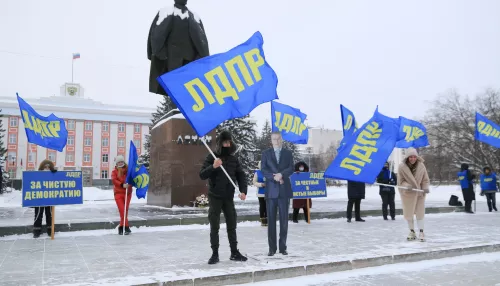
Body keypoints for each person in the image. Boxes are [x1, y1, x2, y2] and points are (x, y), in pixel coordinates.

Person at [200, 130, 248, 265]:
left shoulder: (234, 159)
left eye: (229, 142)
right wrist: (213, 166)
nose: (227, 145)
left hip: (228, 197)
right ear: (220, 143)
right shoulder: (212, 157)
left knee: (232, 224)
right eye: (224, 142)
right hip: (215, 196)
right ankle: (215, 254)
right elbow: (202, 174)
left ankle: (234, 252)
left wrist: (243, 191)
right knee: (214, 226)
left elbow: (241, 176)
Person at [261, 132, 294, 256]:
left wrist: (282, 175)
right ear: (271, 140)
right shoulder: (266, 154)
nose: (276, 141)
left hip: (284, 191)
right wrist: (274, 177)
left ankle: (283, 247)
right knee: (271, 222)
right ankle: (272, 248)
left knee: (284, 221)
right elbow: (264, 170)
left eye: (278, 139)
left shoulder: (288, 153)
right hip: (271, 192)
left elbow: (291, 168)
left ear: (281, 139)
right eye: (274, 139)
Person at [398, 148, 430, 242]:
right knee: (409, 213)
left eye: (414, 157)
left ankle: (421, 231)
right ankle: (412, 231)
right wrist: (407, 185)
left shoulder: (421, 166)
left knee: (420, 213)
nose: (412, 159)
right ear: (407, 157)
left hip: (419, 193)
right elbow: (400, 181)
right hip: (408, 194)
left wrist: (425, 187)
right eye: (410, 157)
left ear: (417, 157)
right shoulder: (401, 167)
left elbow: (425, 179)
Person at [33, 159, 57, 238]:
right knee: (38, 214)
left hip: (50, 198)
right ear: (42, 167)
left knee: (49, 214)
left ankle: (50, 230)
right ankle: (37, 230)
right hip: (39, 198)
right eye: (45, 167)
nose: (47, 168)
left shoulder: (53, 175)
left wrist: (55, 174)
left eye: (48, 167)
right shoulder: (37, 174)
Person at [112, 155, 133, 235]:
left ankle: (121, 227)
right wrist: (122, 185)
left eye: (121, 161)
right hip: (118, 193)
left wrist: (130, 184)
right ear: (116, 164)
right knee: (122, 210)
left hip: (128, 193)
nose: (120, 163)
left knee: (125, 210)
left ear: (124, 162)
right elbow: (114, 180)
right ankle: (126, 227)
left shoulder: (129, 170)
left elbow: (132, 179)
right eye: (118, 162)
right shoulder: (114, 171)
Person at [253, 161, 267, 226]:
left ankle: (267, 219)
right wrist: (261, 184)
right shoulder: (257, 173)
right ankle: (262, 219)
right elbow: (254, 182)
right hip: (260, 193)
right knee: (262, 206)